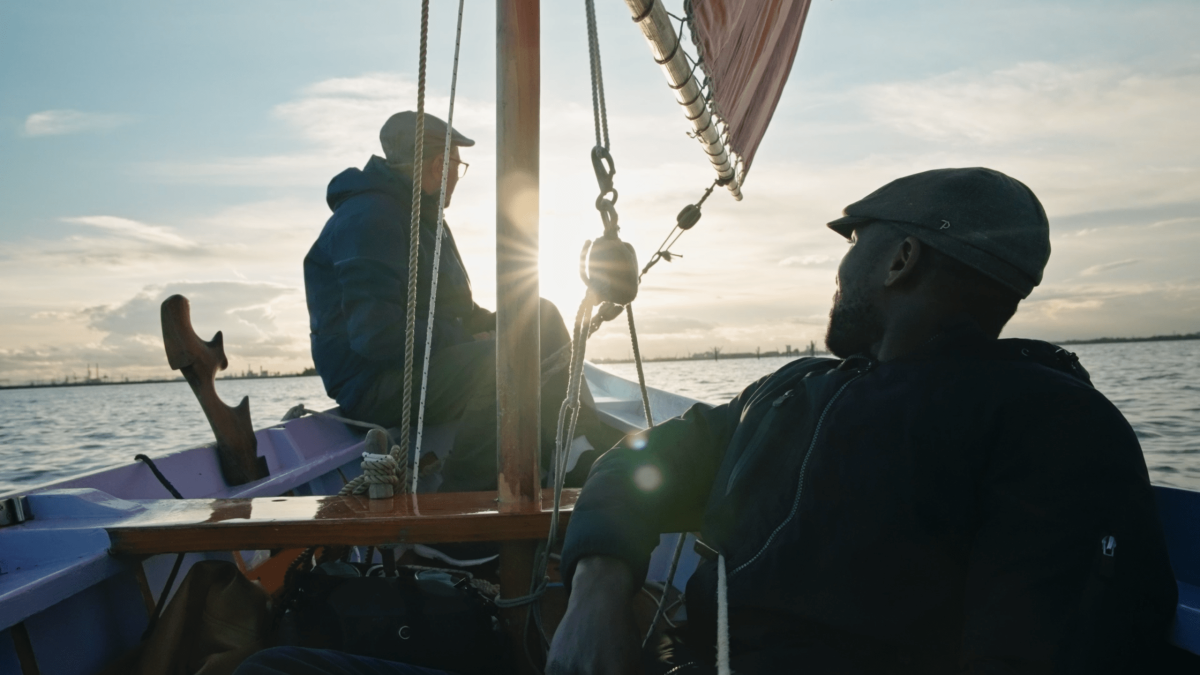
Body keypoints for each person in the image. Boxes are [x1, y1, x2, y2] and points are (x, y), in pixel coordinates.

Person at [548, 168, 1178, 674]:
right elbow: (634, 463)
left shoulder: (1050, 426)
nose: (840, 269)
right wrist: (598, 586)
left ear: (901, 258)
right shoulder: (790, 394)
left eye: (854, 243)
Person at [304, 111, 599, 493]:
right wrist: (466, 338)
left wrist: (502, 322)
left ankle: (574, 450)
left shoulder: (424, 219)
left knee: (539, 314)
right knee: (504, 360)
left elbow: (457, 309)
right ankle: (464, 495)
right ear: (438, 165)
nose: (459, 176)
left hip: (427, 361)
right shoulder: (370, 219)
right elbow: (376, 336)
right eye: (458, 165)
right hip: (375, 385)